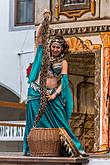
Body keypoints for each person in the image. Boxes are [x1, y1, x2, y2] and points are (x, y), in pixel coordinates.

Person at [23, 10, 88, 157]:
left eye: (58, 47)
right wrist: (44, 21)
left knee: (61, 122)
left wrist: (55, 94)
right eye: (53, 46)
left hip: (53, 95)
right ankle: (33, 148)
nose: (55, 49)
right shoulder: (43, 54)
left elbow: (64, 82)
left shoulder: (63, 62)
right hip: (36, 91)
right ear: (50, 46)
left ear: (62, 49)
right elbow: (39, 35)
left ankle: (75, 148)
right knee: (34, 122)